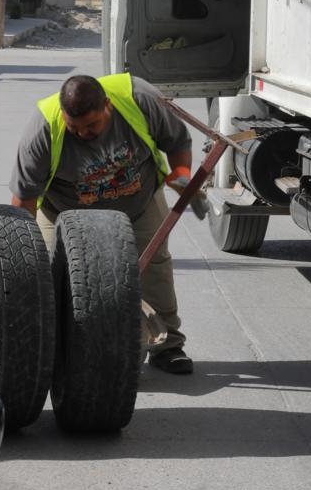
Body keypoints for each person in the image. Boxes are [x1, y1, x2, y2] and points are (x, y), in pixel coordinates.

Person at [10, 72, 197, 374]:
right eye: (75, 128)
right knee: (47, 276)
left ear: (107, 106)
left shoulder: (138, 98)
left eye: (91, 126)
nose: (83, 134)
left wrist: (180, 173)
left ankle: (168, 346)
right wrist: (22, 252)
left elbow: (176, 140)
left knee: (155, 268)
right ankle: (55, 350)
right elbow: (24, 199)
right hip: (64, 214)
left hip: (138, 203)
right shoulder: (43, 128)